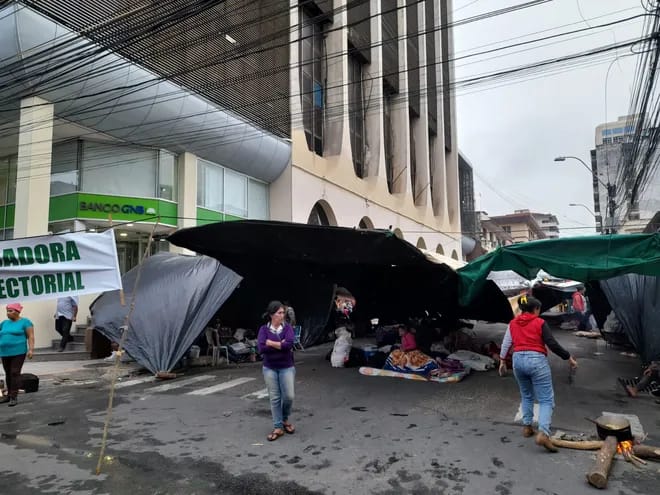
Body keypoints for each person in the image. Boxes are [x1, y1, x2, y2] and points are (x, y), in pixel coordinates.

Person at [499, 295, 578, 452]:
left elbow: (507, 342)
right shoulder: (540, 323)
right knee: (546, 400)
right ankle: (543, 433)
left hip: (517, 361)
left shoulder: (513, 323)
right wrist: (568, 357)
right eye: (538, 309)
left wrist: (502, 360)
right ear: (535, 309)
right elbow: (552, 344)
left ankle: (527, 427)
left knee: (526, 395)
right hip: (536, 361)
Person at [257, 301, 296, 442]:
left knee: (289, 396)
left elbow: (289, 345)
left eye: (283, 312)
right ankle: (278, 426)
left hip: (286, 366)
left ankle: (285, 418)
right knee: (274, 398)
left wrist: (271, 343)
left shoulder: (288, 328)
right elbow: (261, 348)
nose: (282, 315)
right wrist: (281, 344)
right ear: (272, 315)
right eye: (279, 313)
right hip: (269, 367)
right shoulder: (263, 329)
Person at [0, 303, 35, 407]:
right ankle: (9, 395)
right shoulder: (4, 323)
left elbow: (31, 336)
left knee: (15, 372)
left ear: (17, 311)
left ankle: (14, 396)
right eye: (7, 311)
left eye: (10, 311)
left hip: (18, 351)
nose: (8, 313)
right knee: (7, 373)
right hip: (4, 352)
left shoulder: (25, 322)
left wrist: (31, 349)